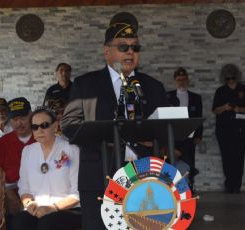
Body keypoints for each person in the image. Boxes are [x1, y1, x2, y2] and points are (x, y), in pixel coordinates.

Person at [61, 22, 169, 229]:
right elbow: (69, 125)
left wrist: (156, 137)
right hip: (99, 176)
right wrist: (108, 137)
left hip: (145, 179)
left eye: (135, 47)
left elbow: (167, 125)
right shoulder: (86, 84)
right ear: (106, 51)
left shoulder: (153, 86)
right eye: (123, 47)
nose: (130, 52)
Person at [12, 107, 81, 230]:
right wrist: (29, 204)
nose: (39, 130)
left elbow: (77, 193)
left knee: (47, 223)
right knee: (19, 221)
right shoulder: (28, 151)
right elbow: (24, 186)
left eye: (44, 125)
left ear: (55, 126)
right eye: (35, 127)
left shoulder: (71, 150)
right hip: (37, 208)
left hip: (66, 209)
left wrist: (53, 207)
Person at [212, 64, 245, 194]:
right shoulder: (220, 91)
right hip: (224, 129)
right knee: (227, 157)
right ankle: (229, 183)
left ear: (237, 77)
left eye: (232, 78)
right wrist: (224, 107)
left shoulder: (244, 89)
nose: (230, 80)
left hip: (240, 129)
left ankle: (237, 184)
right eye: (228, 78)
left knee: (239, 158)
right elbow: (215, 110)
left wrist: (239, 109)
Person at [0, 97, 36, 225]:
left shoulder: (42, 137)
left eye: (23, 118)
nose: (19, 123)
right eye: (14, 119)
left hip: (40, 189)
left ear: (31, 115)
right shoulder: (2, 143)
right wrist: (10, 195)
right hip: (11, 191)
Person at [167, 67, 203, 193]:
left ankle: (189, 189)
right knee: (171, 163)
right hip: (173, 136)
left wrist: (199, 135)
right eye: (178, 80)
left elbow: (199, 118)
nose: (181, 82)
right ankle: (173, 190)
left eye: (183, 79)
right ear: (175, 81)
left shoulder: (196, 98)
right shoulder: (168, 96)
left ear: (187, 80)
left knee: (189, 162)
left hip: (189, 136)